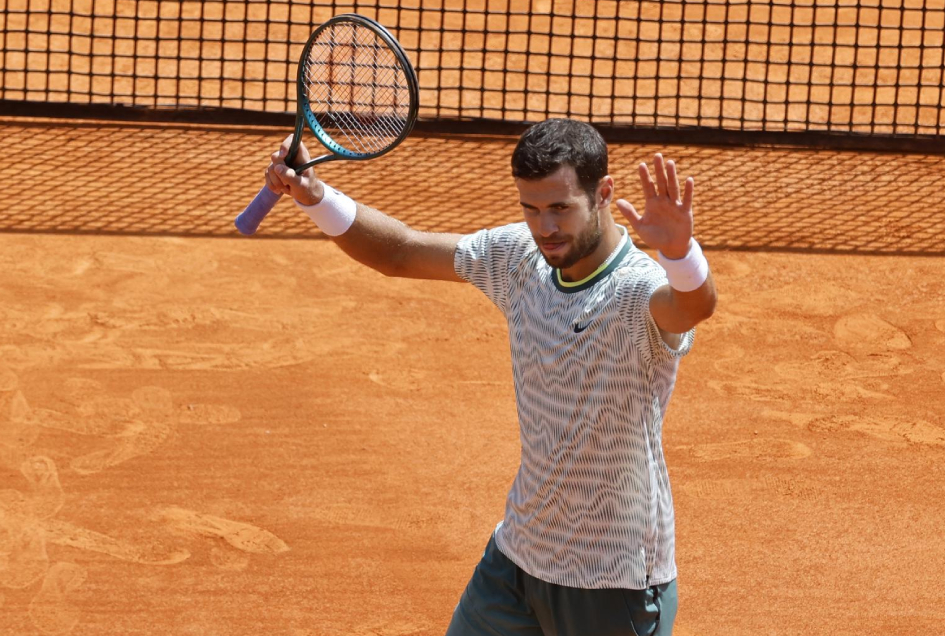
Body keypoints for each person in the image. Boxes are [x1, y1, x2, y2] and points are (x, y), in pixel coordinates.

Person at [263, 118, 716, 636]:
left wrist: (680, 254)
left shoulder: (639, 291)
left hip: (611, 579)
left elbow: (691, 306)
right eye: (531, 208)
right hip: (518, 557)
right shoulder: (519, 259)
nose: (545, 227)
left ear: (604, 193)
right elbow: (400, 252)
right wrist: (315, 195)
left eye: (561, 208)